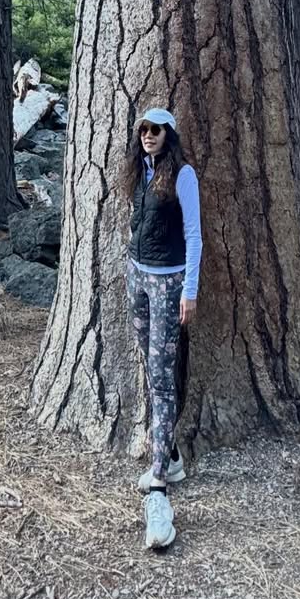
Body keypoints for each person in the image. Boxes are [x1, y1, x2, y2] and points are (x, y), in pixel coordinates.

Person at [120, 106, 202, 550]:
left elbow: (194, 235)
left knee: (162, 377)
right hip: (137, 277)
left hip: (169, 284)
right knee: (150, 368)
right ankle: (169, 456)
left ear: (170, 134)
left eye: (156, 130)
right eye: (143, 130)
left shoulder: (183, 176)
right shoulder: (141, 171)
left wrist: (190, 291)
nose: (148, 136)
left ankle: (158, 485)